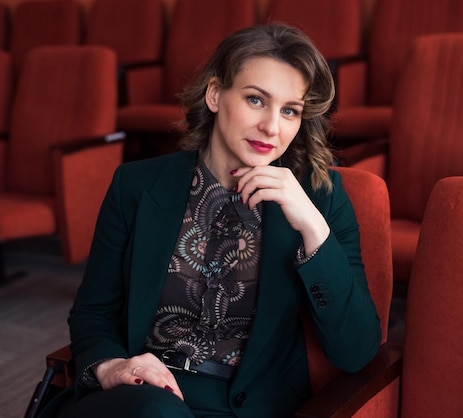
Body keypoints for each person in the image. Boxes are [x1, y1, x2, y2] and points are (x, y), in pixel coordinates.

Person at [43, 23, 380, 418]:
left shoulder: (321, 200)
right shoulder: (135, 186)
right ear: (216, 94)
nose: (272, 127)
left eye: (290, 111)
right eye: (256, 100)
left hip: (248, 406)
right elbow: (93, 313)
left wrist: (312, 229)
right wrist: (113, 365)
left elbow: (356, 351)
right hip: (141, 397)